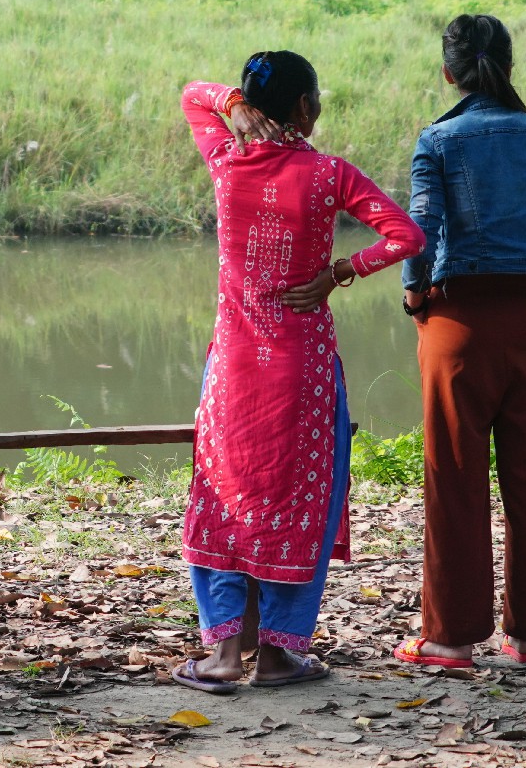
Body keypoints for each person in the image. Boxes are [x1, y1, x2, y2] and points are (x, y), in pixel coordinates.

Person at [173, 52, 424, 693]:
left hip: (233, 367)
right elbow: (406, 237)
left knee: (224, 495)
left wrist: (231, 103)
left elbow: (191, 94)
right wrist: (341, 273)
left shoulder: (225, 162)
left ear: (257, 108)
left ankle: (224, 654)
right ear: (307, 109)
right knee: (299, 499)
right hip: (304, 369)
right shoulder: (329, 173)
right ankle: (281, 655)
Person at [394, 14, 526, 670]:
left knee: (454, 481)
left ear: (448, 71)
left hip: (456, 327)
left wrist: (413, 292)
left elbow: (420, 231)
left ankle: (451, 639)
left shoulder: (437, 140)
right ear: (509, 67)